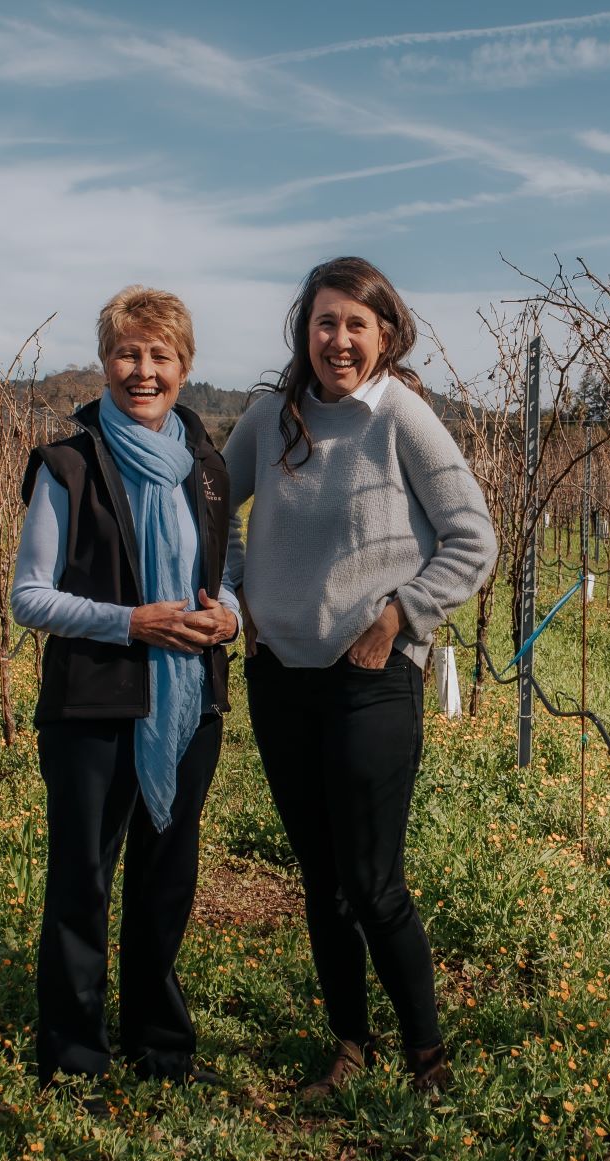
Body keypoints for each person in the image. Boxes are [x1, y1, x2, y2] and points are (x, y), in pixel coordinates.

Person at [223, 256, 496, 1098]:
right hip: (280, 680)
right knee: (320, 880)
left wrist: (398, 617)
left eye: (356, 324)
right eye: (325, 323)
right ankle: (349, 1046)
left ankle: (429, 1060)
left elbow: (473, 539)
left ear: (384, 334)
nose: (339, 340)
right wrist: (241, 596)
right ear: (305, 331)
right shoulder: (270, 418)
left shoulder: (401, 417)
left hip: (369, 681)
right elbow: (209, 508)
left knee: (372, 881)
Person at [11, 285, 240, 1099]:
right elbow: (29, 597)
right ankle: (74, 1051)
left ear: (184, 367)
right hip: (95, 706)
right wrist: (129, 622)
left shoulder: (206, 470)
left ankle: (161, 1041)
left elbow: (227, 574)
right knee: (83, 879)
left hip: (190, 705)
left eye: (161, 356)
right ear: (105, 361)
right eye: (128, 353)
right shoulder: (67, 466)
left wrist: (229, 621)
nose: (144, 371)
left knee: (166, 879)